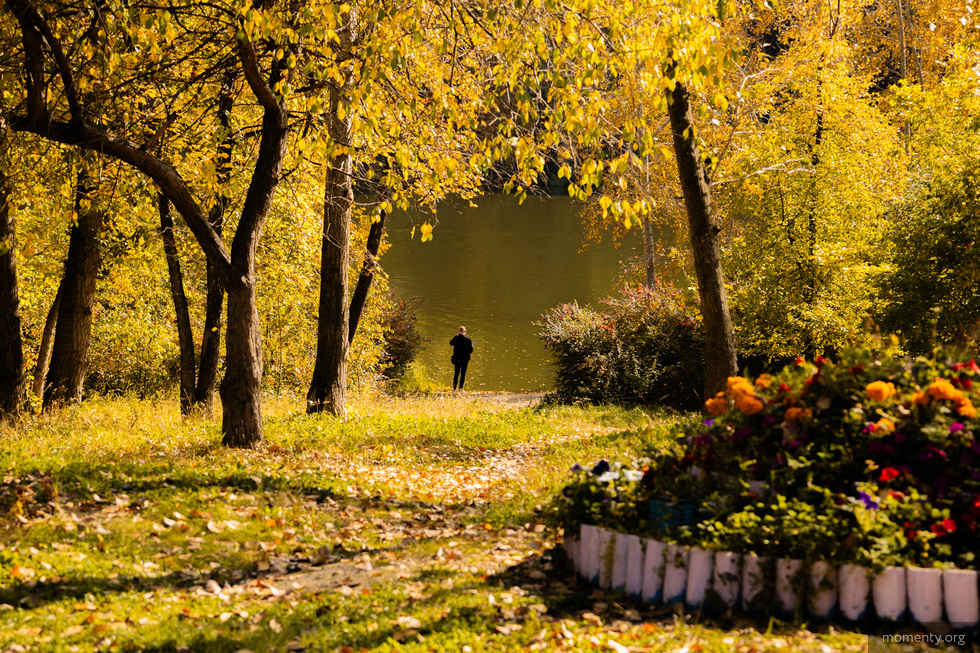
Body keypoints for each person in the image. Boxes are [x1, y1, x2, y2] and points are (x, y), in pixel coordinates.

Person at [450, 326, 474, 391]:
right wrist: (472, 346)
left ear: (459, 331)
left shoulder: (456, 338)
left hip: (457, 359)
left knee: (456, 374)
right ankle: (461, 388)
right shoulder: (468, 340)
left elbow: (451, 343)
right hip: (464, 360)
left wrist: (456, 336)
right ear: (464, 331)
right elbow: (471, 351)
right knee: (463, 374)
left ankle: (454, 388)